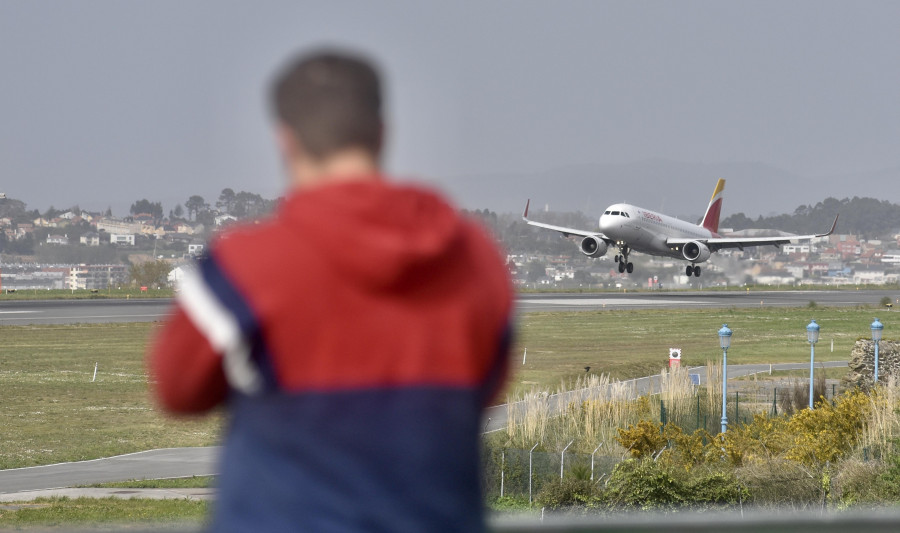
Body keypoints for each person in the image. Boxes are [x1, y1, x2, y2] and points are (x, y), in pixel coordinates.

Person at [148, 49, 513, 532]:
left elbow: (177, 390)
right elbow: (485, 388)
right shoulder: (476, 259)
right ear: (383, 132)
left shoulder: (244, 264)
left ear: (285, 140)